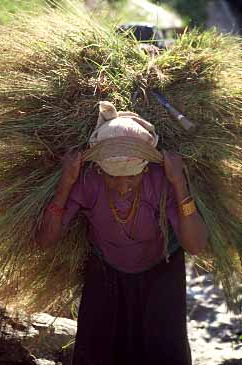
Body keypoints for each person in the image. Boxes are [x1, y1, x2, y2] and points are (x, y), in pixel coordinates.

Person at [36, 101, 207, 365]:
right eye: (113, 176)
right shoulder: (88, 181)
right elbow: (46, 241)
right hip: (106, 272)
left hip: (160, 272)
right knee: (97, 354)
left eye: (131, 177)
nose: (122, 186)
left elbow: (195, 245)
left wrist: (179, 184)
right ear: (99, 167)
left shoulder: (160, 180)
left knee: (163, 353)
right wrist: (66, 183)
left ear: (146, 167)